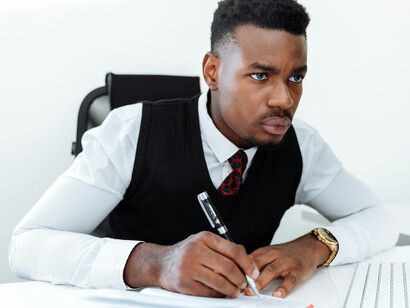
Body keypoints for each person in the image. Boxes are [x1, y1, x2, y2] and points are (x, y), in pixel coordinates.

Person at [9, 0, 398, 300]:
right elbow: (26, 245)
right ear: (212, 71)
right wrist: (154, 263)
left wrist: (314, 246)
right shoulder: (130, 133)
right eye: (260, 75)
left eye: (296, 77)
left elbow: (379, 217)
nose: (285, 99)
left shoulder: (301, 145)